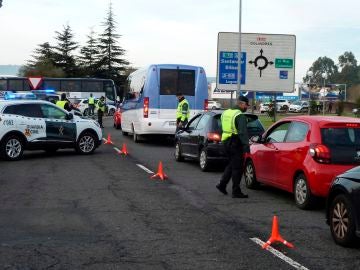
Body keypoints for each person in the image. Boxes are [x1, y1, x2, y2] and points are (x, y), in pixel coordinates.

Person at [216, 95, 250, 198]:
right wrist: (246, 147)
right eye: (246, 105)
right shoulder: (240, 115)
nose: (247, 107)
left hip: (225, 142)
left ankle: (222, 185)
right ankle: (236, 191)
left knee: (231, 165)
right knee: (238, 168)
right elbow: (242, 133)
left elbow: (221, 128)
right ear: (241, 104)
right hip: (235, 143)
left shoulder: (225, 113)